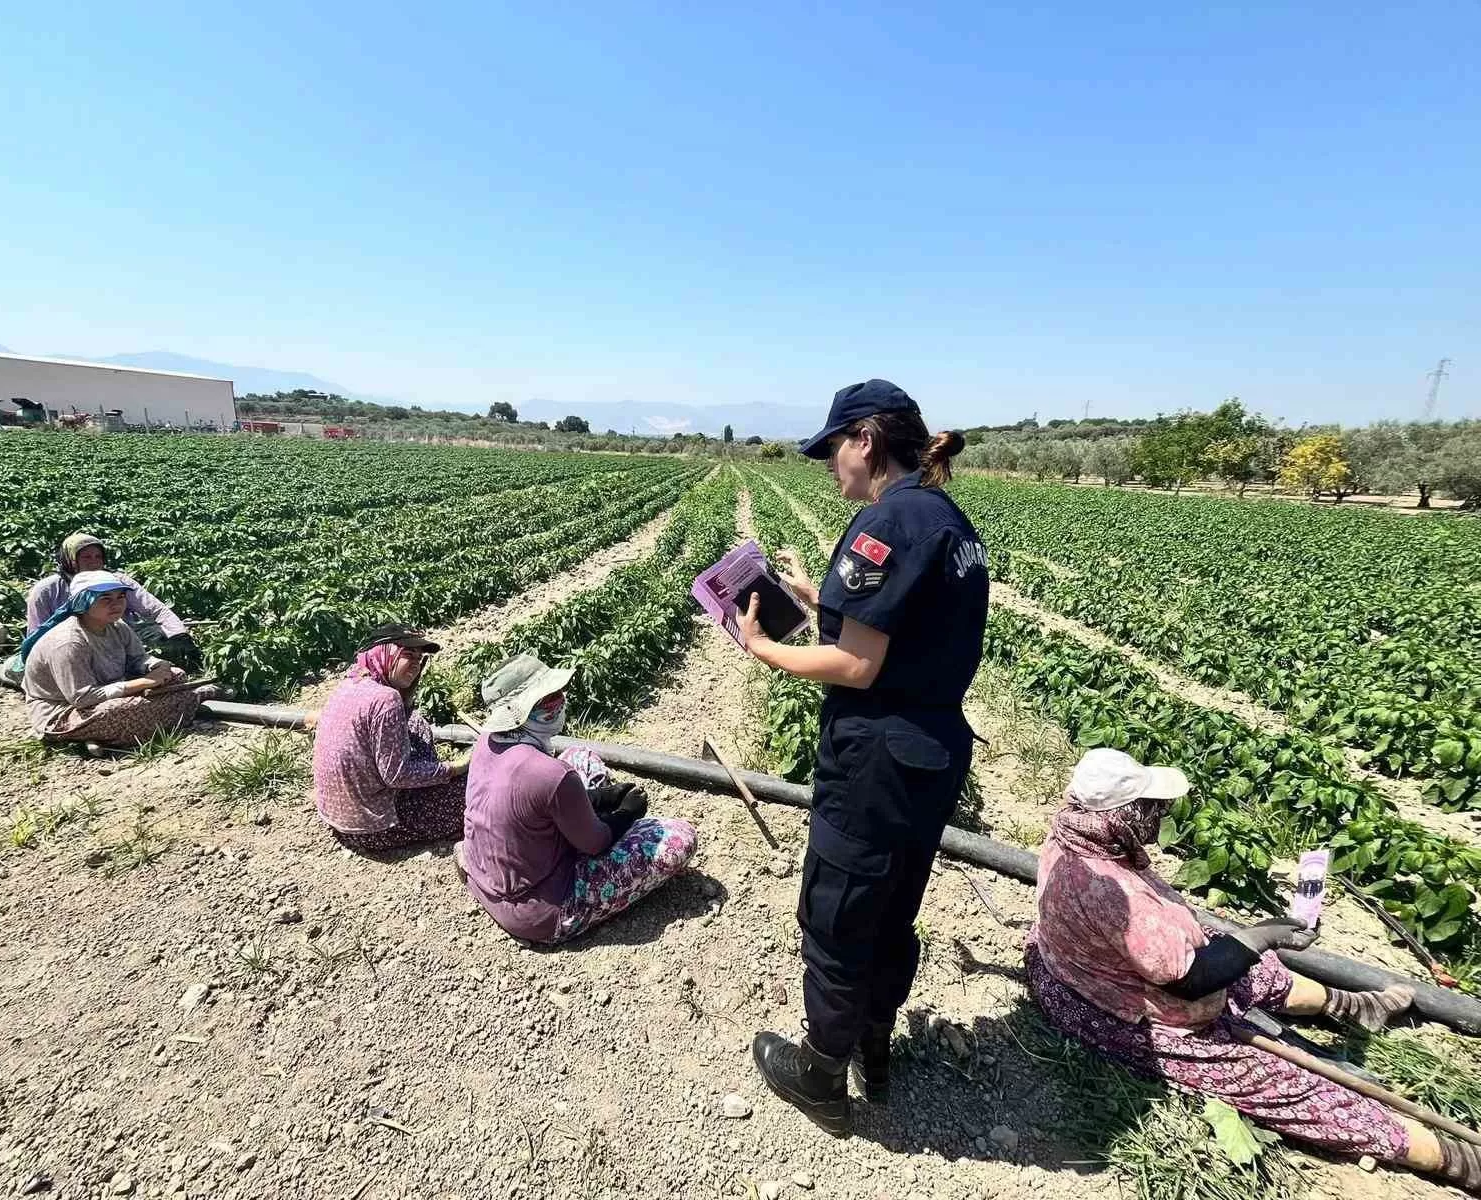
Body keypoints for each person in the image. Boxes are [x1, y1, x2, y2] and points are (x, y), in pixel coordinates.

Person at [1027, 748, 1479, 1192]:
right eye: (1151, 807)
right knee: (1286, 1086)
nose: (1161, 814)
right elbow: (1191, 982)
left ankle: (1355, 1007)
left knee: (1254, 968)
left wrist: (1249, 945)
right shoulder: (1111, 893)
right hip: (1122, 1014)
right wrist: (1261, 936)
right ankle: (1450, 1157)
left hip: (1085, 966)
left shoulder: (1075, 830)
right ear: (1122, 816)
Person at [737, 379, 987, 1136]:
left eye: (831, 451)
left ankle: (819, 1076)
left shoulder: (887, 523)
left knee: (840, 910)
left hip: (878, 756)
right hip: (931, 753)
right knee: (893, 907)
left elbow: (857, 666)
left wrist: (765, 648)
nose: (827, 468)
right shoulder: (945, 517)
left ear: (866, 442)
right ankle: (874, 1052)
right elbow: (908, 629)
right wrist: (822, 597)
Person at [460, 653, 698, 945]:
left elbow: (538, 797)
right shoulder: (549, 775)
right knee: (678, 838)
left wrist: (600, 797)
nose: (560, 703)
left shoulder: (487, 739)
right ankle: (567, 913)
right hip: (537, 909)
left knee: (581, 758)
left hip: (485, 876)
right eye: (549, 701)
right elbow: (595, 843)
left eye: (558, 694)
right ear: (522, 713)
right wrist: (625, 814)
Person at [312, 625, 470, 852]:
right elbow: (396, 775)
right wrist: (453, 768)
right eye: (408, 655)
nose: (416, 664)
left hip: (340, 820)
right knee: (476, 791)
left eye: (419, 658)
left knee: (415, 723)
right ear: (384, 653)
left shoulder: (351, 683)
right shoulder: (386, 699)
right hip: (374, 828)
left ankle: (425, 785)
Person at [19, 570, 217, 747]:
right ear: (83, 602)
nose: (116, 604)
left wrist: (156, 666)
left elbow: (138, 659)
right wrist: (145, 682)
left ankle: (165, 710)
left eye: (121, 597)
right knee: (116, 712)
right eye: (105, 599)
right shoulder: (69, 642)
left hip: (110, 688)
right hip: (65, 711)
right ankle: (193, 698)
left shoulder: (116, 625)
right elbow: (82, 698)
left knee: (177, 675)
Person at [24, 532, 200, 668]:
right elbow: (37, 635)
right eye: (86, 557)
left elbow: (156, 609)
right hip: (71, 646)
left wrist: (179, 635)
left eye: (98, 557)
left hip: (123, 639)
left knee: (163, 645)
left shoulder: (117, 581)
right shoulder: (46, 590)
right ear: (70, 560)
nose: (94, 562)